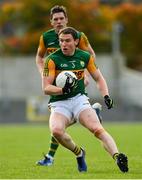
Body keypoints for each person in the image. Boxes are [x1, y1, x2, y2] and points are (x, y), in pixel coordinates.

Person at [40, 27, 128, 173]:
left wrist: (106, 95)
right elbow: (46, 88)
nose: (64, 44)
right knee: (56, 131)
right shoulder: (51, 60)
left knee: (97, 129)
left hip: (79, 99)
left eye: (67, 41)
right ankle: (79, 153)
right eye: (61, 41)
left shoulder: (85, 57)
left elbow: (99, 78)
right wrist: (63, 90)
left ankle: (117, 156)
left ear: (76, 41)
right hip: (59, 102)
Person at [36, 5, 102, 166]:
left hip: (74, 85)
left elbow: (90, 55)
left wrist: (84, 74)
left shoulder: (78, 36)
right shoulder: (45, 38)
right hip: (55, 86)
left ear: (67, 20)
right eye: (55, 19)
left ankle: (50, 158)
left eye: (61, 18)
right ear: (51, 22)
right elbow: (39, 57)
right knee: (59, 123)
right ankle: (92, 112)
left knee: (60, 122)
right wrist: (44, 75)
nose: (59, 21)